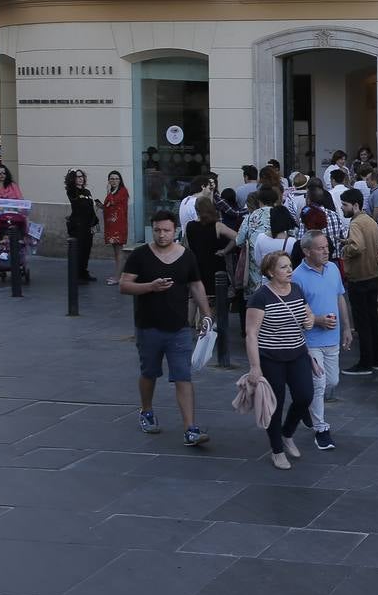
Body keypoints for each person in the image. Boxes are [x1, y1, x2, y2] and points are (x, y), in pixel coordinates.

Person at [120, 210, 213, 447]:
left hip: (179, 327)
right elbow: (124, 285)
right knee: (149, 372)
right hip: (148, 325)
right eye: (158, 230)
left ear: (175, 231)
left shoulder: (187, 256)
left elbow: (196, 285)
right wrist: (150, 286)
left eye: (167, 231)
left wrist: (206, 314)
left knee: (183, 376)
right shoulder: (141, 255)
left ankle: (190, 428)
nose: (162, 235)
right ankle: (147, 410)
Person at [246, 250, 322, 470]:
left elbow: (307, 315)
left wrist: (309, 321)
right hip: (271, 357)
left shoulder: (296, 289)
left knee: (305, 396)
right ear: (270, 272)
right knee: (275, 404)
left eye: (290, 266)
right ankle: (277, 450)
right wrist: (255, 367)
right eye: (283, 267)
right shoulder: (260, 296)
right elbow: (251, 334)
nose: (289, 270)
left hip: (298, 353)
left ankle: (287, 433)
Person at [291, 230, 354, 451]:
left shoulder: (333, 269)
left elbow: (339, 297)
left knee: (332, 381)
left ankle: (303, 404)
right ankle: (321, 429)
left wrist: (347, 327)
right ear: (307, 251)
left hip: (332, 337)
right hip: (310, 340)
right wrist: (317, 320)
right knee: (318, 384)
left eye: (326, 246)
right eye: (320, 247)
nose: (326, 250)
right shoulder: (297, 276)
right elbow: (295, 312)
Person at [186, 195, 239, 364]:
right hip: (214, 264)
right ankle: (207, 327)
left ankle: (190, 329)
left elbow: (187, 246)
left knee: (194, 297)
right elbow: (237, 237)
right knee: (214, 299)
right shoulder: (217, 226)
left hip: (196, 264)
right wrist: (225, 250)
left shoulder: (190, 226)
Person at [340, 188, 378, 375]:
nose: (342, 208)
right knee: (373, 321)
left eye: (345, 205)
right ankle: (377, 360)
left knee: (362, 323)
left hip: (359, 278)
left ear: (355, 205)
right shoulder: (370, 221)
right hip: (373, 275)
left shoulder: (356, 223)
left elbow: (358, 246)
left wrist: (345, 250)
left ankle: (365, 362)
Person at [236, 185, 280, 296]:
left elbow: (239, 241)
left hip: (256, 268)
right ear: (276, 200)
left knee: (258, 300)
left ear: (259, 200)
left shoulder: (251, 217)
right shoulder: (282, 215)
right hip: (279, 263)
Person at [65, 169, 99, 283]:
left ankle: (84, 272)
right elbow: (75, 201)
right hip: (78, 225)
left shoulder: (87, 192)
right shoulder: (72, 191)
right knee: (78, 251)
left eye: (81, 176)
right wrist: (71, 175)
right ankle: (77, 275)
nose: (80, 178)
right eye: (77, 177)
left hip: (87, 225)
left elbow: (91, 208)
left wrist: (95, 222)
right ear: (73, 179)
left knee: (86, 250)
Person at [100, 171, 129, 285]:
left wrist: (108, 192)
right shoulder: (112, 192)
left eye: (116, 179)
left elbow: (113, 202)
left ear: (120, 180)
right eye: (111, 179)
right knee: (116, 251)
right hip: (111, 225)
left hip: (119, 225)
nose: (114, 181)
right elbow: (109, 205)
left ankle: (118, 277)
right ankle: (118, 275)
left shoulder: (123, 191)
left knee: (119, 251)